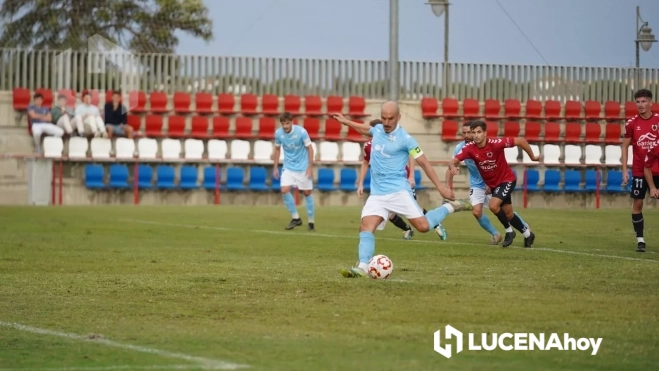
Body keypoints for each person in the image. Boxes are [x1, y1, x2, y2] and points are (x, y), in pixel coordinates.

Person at [333, 102, 472, 278]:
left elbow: (425, 163)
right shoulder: (377, 130)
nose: (386, 122)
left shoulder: (406, 139)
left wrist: (441, 189)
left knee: (422, 227)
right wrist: (346, 122)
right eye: (383, 118)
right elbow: (364, 129)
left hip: (399, 191)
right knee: (366, 227)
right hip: (377, 194)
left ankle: (451, 207)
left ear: (398, 117)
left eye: (390, 118)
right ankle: (362, 266)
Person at [449, 120, 540, 248]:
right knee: (508, 214)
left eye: (479, 132)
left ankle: (509, 232)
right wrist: (453, 166)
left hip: (506, 180)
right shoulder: (469, 149)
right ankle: (527, 234)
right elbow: (454, 160)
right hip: (493, 184)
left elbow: (520, 140)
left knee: (493, 206)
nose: (476, 135)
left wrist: (533, 157)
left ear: (485, 133)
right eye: (473, 132)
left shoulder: (496, 144)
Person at [358, 119, 445, 240]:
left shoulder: (396, 140)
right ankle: (407, 229)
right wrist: (361, 183)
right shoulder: (368, 146)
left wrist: (411, 176)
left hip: (401, 182)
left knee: (415, 209)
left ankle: (435, 222)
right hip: (383, 186)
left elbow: (411, 155)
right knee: (389, 212)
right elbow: (365, 162)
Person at [621, 89, 659, 253]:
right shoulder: (631, 123)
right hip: (638, 171)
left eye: (644, 101)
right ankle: (640, 240)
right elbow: (624, 147)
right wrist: (624, 170)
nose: (641, 105)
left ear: (651, 102)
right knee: (637, 204)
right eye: (638, 102)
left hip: (657, 169)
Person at [273, 112, 316, 231]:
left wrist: (310, 167)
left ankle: (311, 222)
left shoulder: (301, 132)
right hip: (288, 167)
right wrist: (275, 167)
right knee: (284, 190)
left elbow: (310, 148)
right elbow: (277, 149)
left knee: (307, 193)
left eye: (287, 123)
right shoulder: (278, 133)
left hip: (303, 167)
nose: (285, 126)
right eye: (283, 124)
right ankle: (296, 218)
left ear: (292, 122)